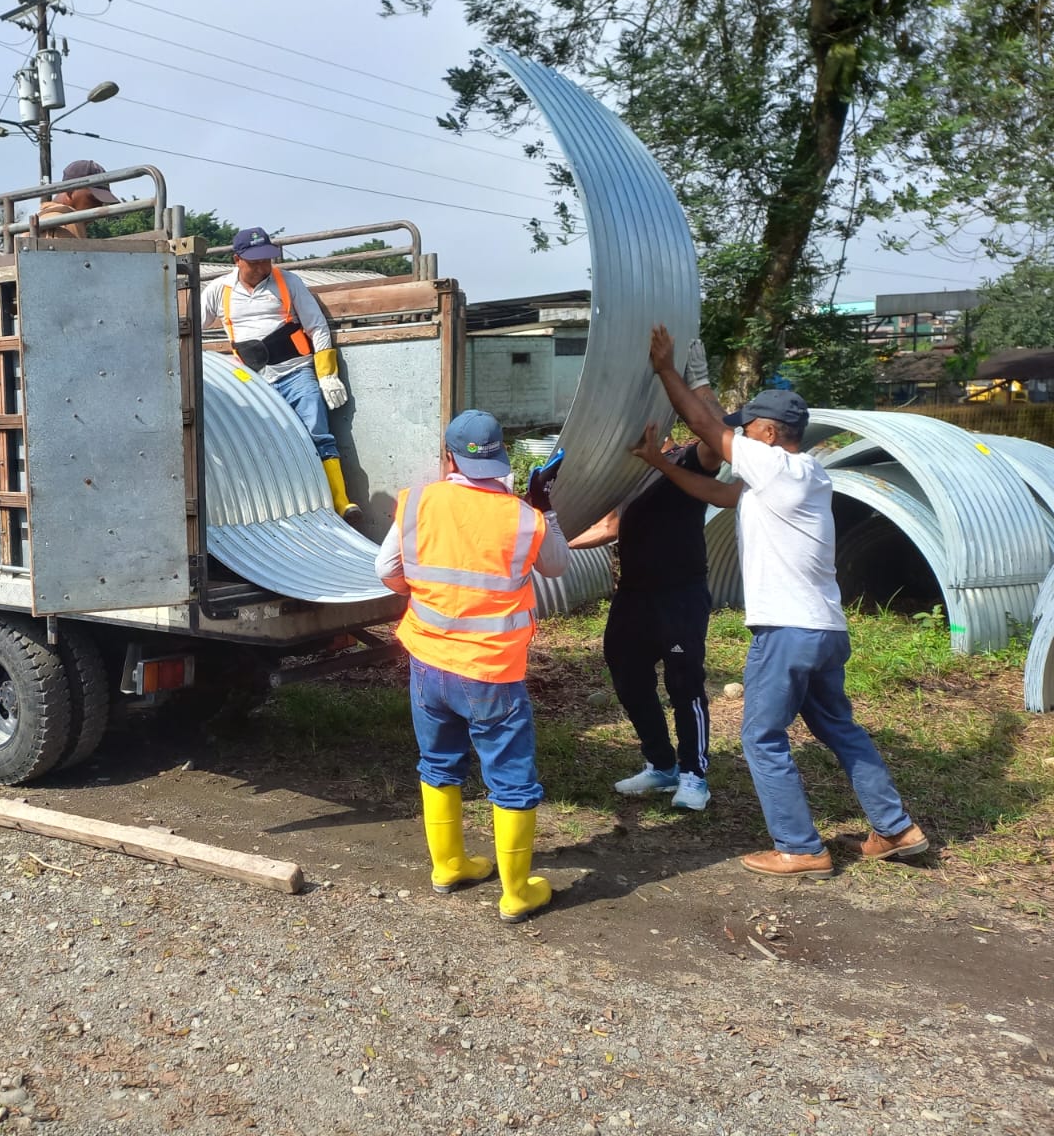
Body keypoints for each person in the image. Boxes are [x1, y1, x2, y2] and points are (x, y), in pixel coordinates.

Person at [638, 322, 929, 878]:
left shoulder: (772, 466)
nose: (738, 438)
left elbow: (704, 424)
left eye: (747, 430)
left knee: (761, 737)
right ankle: (896, 829)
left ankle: (800, 847)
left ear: (769, 434)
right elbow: (720, 493)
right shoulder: (800, 473)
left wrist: (666, 370)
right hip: (825, 630)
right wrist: (661, 462)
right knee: (840, 728)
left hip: (787, 631)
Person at [375, 410, 569, 921]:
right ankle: (516, 892)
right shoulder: (523, 518)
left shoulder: (417, 502)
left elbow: (386, 570)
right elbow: (556, 565)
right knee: (511, 780)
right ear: (501, 457)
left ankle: (449, 865)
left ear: (449, 458)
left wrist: (423, 595)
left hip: (427, 662)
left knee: (438, 764)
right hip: (491, 671)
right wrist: (544, 506)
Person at [570, 337, 724, 812]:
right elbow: (609, 526)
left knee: (683, 683)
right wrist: (551, 543)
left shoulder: (688, 461)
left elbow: (717, 439)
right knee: (627, 674)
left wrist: (699, 384)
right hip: (634, 596)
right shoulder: (629, 471)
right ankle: (661, 764)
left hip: (679, 596)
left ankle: (695, 775)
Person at [202, 226, 361, 523]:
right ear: (237, 260)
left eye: (267, 259)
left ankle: (340, 501)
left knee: (318, 434)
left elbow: (316, 327)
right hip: (252, 381)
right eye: (255, 261)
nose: (263, 266)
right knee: (262, 443)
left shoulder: (288, 282)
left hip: (296, 373)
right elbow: (189, 329)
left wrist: (327, 374)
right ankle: (281, 509)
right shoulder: (218, 290)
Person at [34, 159, 118, 238]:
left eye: (102, 201)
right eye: (93, 199)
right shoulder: (64, 224)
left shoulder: (47, 220)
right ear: (70, 190)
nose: (99, 206)